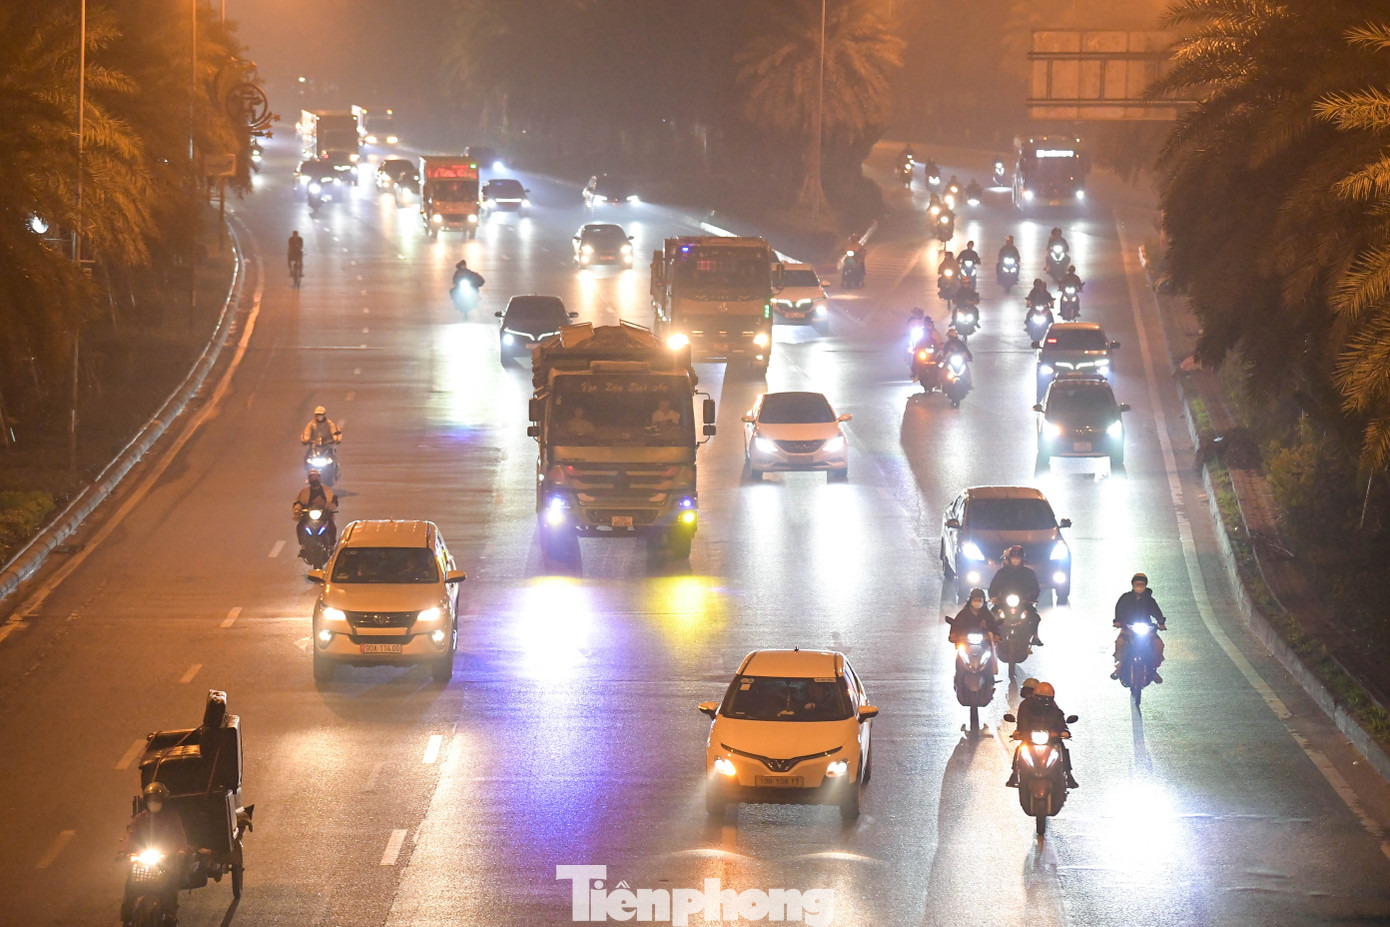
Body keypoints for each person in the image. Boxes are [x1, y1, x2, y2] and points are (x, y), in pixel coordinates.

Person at [119, 782, 196, 923]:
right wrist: (124, 851)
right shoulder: (141, 818)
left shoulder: (172, 817)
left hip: (166, 860)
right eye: (151, 800)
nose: (153, 803)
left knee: (170, 886)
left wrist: (181, 851)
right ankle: (126, 916)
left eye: (157, 800)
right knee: (130, 884)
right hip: (143, 859)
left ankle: (171, 916)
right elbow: (130, 834)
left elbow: (180, 836)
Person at [1007, 682, 1078, 789]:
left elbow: (1061, 722)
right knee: (1020, 749)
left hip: (1050, 739)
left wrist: (1064, 732)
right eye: (1040, 698)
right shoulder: (1026, 706)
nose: (1044, 702)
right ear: (1034, 696)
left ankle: (1068, 775)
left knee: (1062, 748)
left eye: (1047, 699)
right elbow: (1022, 722)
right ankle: (1014, 773)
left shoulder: (1055, 710)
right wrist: (1019, 732)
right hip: (1030, 738)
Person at [1112, 573, 1168, 682]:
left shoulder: (1149, 600)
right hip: (1128, 628)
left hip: (1147, 629)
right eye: (1137, 584)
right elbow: (1118, 610)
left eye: (1142, 584)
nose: (1139, 586)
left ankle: (1154, 669)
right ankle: (1120, 665)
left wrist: (1161, 623)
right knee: (1120, 642)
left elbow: (1157, 612)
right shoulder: (1125, 598)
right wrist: (1118, 621)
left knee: (1158, 644)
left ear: (1145, 585)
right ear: (1133, 585)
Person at [989, 545, 1043, 645]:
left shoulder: (1029, 573)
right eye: (1013, 558)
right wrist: (994, 597)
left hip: (1023, 603)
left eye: (1017, 558)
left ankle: (1035, 637)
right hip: (1003, 603)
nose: (1015, 560)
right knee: (992, 615)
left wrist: (1030, 597)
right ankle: (992, 636)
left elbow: (1035, 589)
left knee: (1035, 617)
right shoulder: (1001, 573)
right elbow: (993, 588)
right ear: (1009, 559)